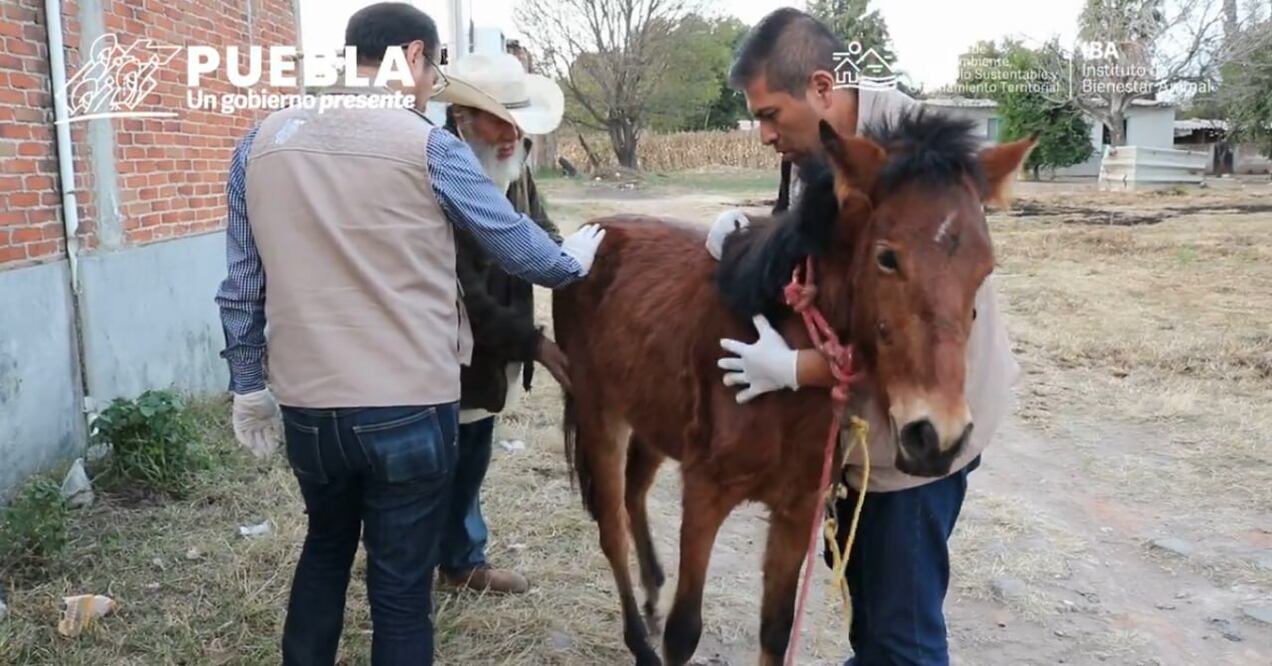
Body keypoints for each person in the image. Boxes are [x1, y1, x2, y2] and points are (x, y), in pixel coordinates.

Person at [212, 3, 606, 665]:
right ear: (416, 56)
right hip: (407, 406)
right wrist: (575, 261)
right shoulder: (427, 145)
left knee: (324, 552)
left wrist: (248, 386)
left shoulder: (259, 143)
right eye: (436, 66)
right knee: (399, 590)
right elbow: (521, 251)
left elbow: (241, 285)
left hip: (309, 406)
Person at [704, 9, 1021, 666]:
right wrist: (758, 230)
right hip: (863, 434)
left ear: (822, 87)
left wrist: (798, 370)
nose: (763, 134)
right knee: (873, 615)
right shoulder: (826, 146)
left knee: (903, 642)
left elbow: (918, 327)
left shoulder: (915, 172)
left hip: (916, 431)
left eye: (769, 114)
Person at [428, 52, 571, 595]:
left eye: (517, 119)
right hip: (448, 349)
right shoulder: (440, 171)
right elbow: (463, 292)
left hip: (495, 349)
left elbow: (539, 229)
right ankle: (423, 571)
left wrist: (572, 256)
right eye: (497, 120)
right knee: (441, 466)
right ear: (462, 117)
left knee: (472, 454)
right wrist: (536, 343)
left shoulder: (513, 162)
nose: (511, 134)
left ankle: (463, 561)